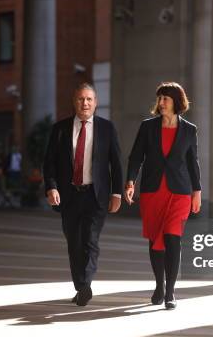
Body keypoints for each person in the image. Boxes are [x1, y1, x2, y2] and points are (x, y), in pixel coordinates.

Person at [43, 83, 123, 306]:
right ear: (74, 102)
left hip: (95, 195)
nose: (85, 103)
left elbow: (115, 164)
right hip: (69, 195)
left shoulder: (107, 129)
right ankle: (82, 286)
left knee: (90, 240)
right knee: (74, 243)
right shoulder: (60, 129)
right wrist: (51, 187)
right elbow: (49, 164)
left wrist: (117, 193)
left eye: (89, 99)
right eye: (80, 99)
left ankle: (85, 284)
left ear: (95, 102)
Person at [124, 82, 202, 310]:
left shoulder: (189, 130)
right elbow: (136, 156)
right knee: (155, 238)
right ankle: (159, 284)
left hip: (179, 192)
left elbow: (192, 163)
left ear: (176, 101)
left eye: (165, 99)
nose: (161, 103)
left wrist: (197, 191)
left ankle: (170, 292)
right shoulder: (148, 127)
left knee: (172, 237)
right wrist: (130, 181)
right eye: (159, 99)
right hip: (153, 191)